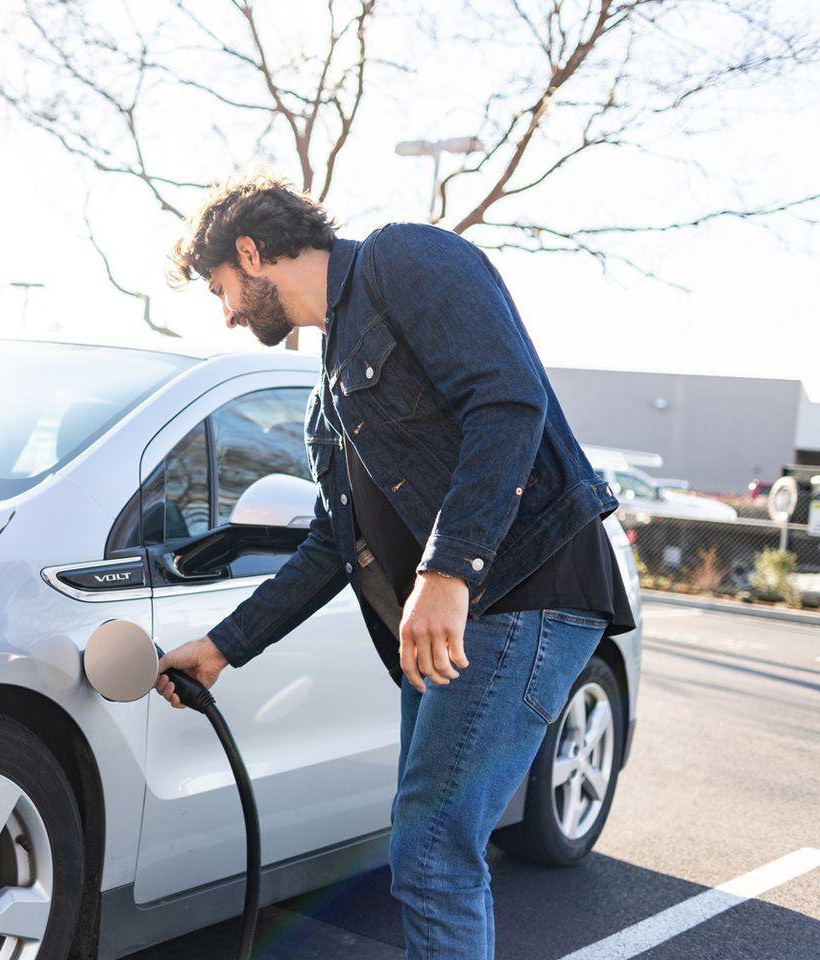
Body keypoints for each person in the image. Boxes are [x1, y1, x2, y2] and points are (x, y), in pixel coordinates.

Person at [157, 171, 634, 960]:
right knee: (430, 852)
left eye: (222, 288)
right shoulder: (327, 400)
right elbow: (328, 550)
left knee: (433, 853)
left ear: (252, 250)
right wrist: (220, 648)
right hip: (454, 629)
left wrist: (448, 572)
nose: (229, 311)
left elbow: (508, 400)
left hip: (525, 590)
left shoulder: (403, 259)